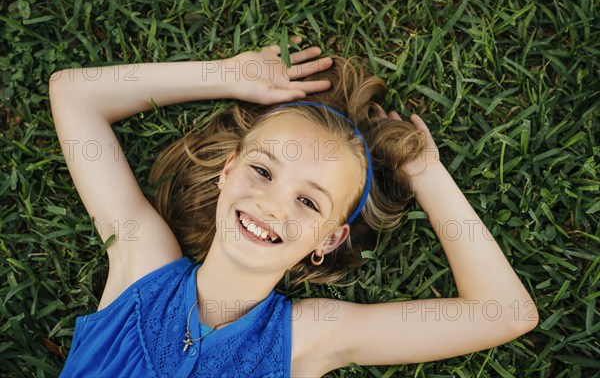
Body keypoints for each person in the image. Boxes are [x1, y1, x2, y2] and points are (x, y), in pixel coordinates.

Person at [50, 36, 539, 377]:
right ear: (228, 172)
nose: (271, 204)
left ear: (329, 238)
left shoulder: (308, 336)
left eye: (308, 201)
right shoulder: (142, 265)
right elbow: (73, 94)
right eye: (262, 171)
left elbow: (505, 314)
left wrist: (425, 172)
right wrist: (225, 75)